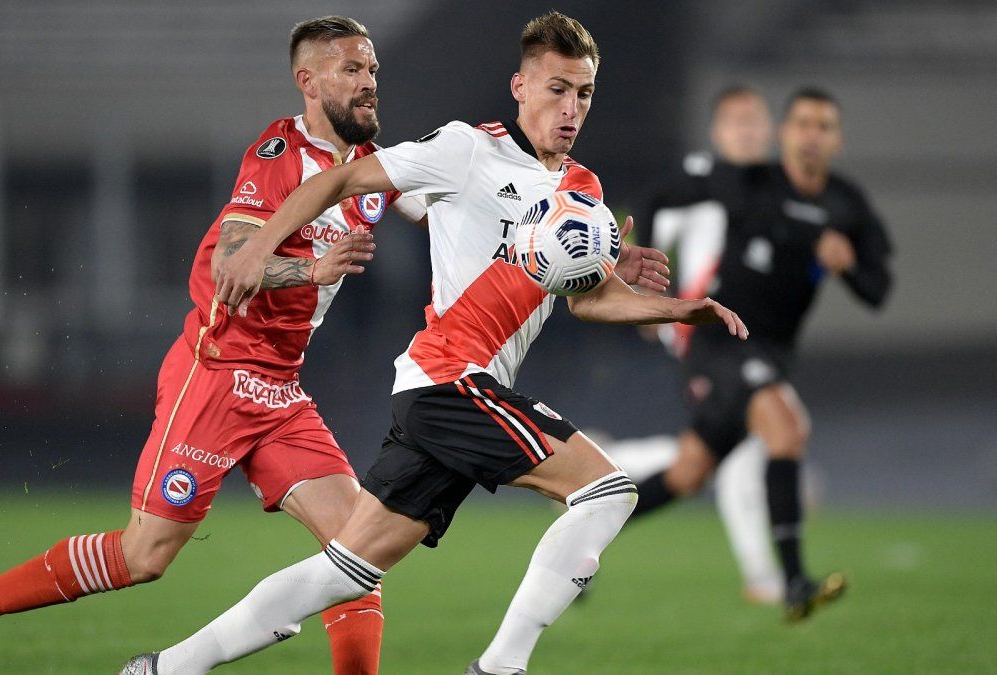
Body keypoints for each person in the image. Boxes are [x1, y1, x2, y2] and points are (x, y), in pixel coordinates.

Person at [121, 11, 747, 675]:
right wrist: (261, 248)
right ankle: (500, 668)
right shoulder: (466, 150)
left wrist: (673, 306)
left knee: (343, 571)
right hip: (453, 378)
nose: (571, 107)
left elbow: (589, 300)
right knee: (607, 491)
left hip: (438, 391)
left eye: (584, 93)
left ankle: (165, 668)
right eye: (557, 88)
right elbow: (337, 180)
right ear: (520, 86)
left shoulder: (583, 192)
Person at [0, 16, 428, 674]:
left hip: (280, 388)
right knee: (142, 556)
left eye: (372, 69)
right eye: (351, 70)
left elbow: (447, 203)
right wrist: (309, 269)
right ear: (308, 81)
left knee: (358, 556)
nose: (368, 82)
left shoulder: (370, 170)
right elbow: (232, 267)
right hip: (215, 375)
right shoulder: (280, 155)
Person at [627, 86, 893, 621]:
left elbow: (878, 291)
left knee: (688, 473)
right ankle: (794, 582)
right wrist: (646, 293)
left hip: (771, 351)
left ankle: (588, 519)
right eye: (801, 123)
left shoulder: (846, 203)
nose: (811, 135)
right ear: (783, 133)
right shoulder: (748, 181)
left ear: (836, 139)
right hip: (718, 337)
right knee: (787, 426)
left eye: (823, 126)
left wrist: (849, 268)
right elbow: (656, 198)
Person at [605, 84, 785, 604]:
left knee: (707, 455)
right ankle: (762, 576)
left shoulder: (771, 187)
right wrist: (643, 295)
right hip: (703, 333)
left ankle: (613, 468)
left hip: (746, 338)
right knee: (740, 450)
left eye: (755, 122)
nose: (749, 132)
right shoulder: (699, 180)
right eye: (738, 122)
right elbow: (646, 227)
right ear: (718, 130)